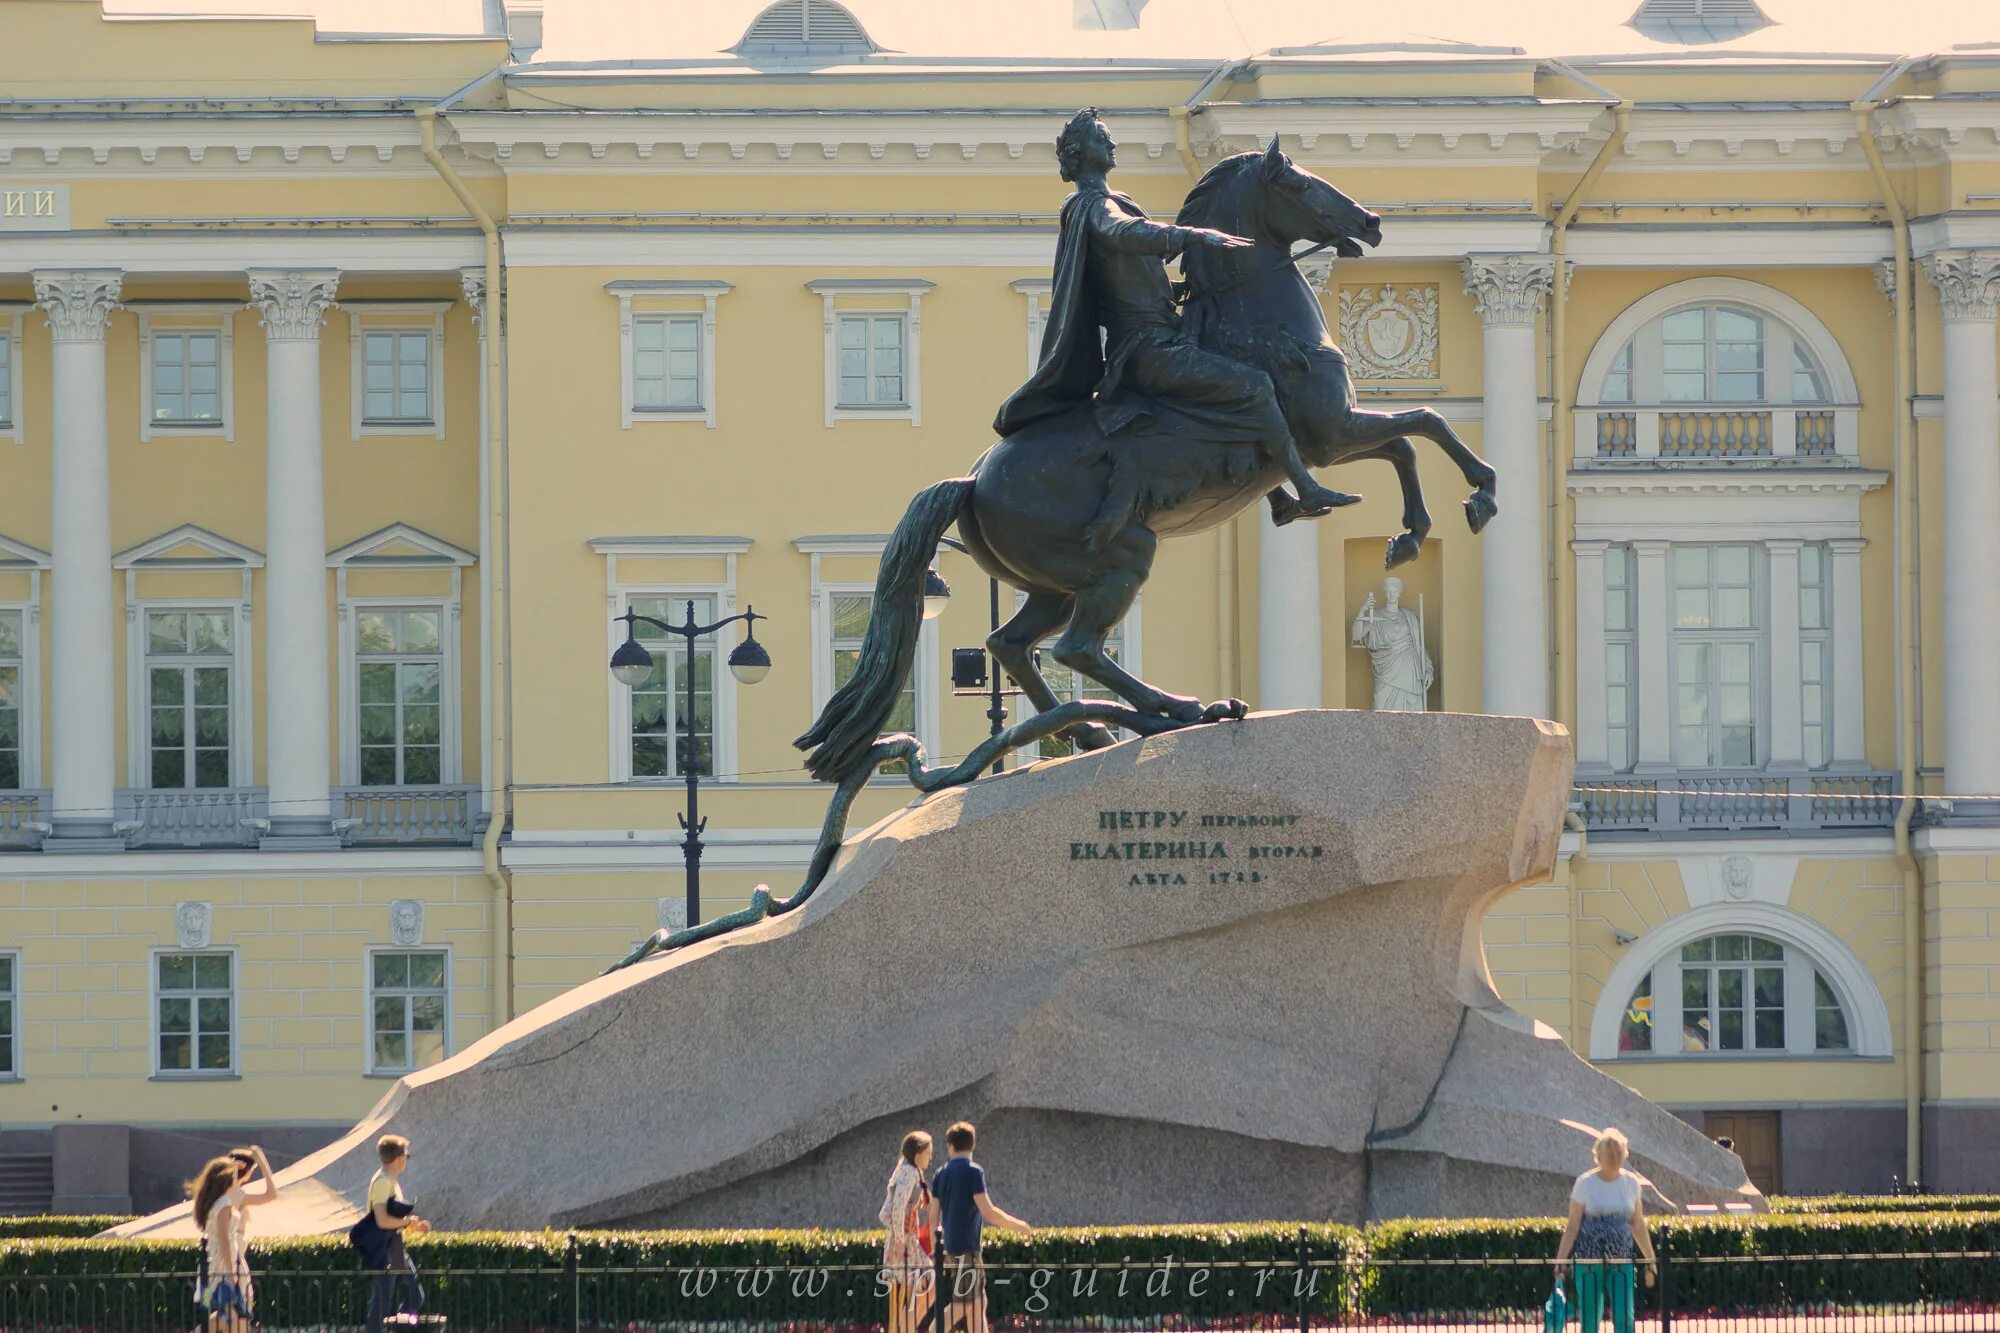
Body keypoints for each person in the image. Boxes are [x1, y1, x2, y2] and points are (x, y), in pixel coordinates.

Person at [992, 107, 1360, 535]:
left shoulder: (1112, 202)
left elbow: (1139, 278)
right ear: (1080, 152)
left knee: (1243, 365)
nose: (1111, 143)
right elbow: (1124, 234)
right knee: (1256, 385)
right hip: (1149, 349)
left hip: (1165, 334)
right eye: (1102, 138)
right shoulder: (1092, 206)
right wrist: (1193, 235)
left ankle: (1275, 496)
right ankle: (1302, 490)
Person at [928, 1122, 1030, 1333]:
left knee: (977, 1305)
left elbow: (932, 1217)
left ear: (950, 1146)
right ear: (972, 1145)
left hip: (951, 1249)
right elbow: (988, 1211)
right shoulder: (973, 1172)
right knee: (961, 1306)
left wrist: (935, 1251)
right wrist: (1018, 1225)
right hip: (968, 1250)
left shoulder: (940, 1174)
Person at [1554, 1128, 1658, 1333]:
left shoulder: (1631, 1183)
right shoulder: (1585, 1183)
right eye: (1610, 1153)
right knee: (1590, 1319)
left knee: (1624, 1317)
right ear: (1598, 1155)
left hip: (1621, 1261)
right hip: (1588, 1261)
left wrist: (1650, 1260)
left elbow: (1637, 1223)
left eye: (1619, 1153)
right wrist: (1561, 1261)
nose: (1615, 1157)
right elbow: (1573, 1224)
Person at [189, 1146, 274, 1332]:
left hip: (216, 1265)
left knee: (226, 1315)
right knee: (237, 1313)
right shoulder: (224, 1205)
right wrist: (232, 1274)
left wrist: (231, 1166)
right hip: (224, 1265)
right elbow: (224, 1240)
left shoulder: (215, 1202)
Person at [364, 1133, 431, 1333]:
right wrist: (408, 1222)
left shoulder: (390, 1181)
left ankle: (396, 1329)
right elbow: (381, 1219)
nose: (406, 1161)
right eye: (406, 1157)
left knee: (414, 1296)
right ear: (400, 1158)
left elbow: (390, 1220)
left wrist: (411, 1226)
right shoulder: (383, 1182)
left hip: (393, 1247)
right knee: (381, 1306)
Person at [878, 1130, 935, 1333]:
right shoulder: (909, 1172)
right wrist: (900, 1241)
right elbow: (898, 1206)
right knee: (910, 1289)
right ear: (918, 1153)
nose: (931, 1157)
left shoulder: (909, 1170)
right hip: (904, 1242)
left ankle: (905, 1328)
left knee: (914, 1288)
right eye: (928, 1152)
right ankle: (903, 1329)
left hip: (907, 1240)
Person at [1350, 577, 1432, 712]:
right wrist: (1362, 610)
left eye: (1394, 591)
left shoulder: (1409, 617)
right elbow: (1357, 636)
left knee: (1411, 711)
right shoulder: (1375, 616)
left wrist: (1428, 669)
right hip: (1385, 670)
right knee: (1381, 708)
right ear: (1384, 592)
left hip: (1409, 668)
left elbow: (1420, 646)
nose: (1391, 595)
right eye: (1388, 591)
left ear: (1400, 592)